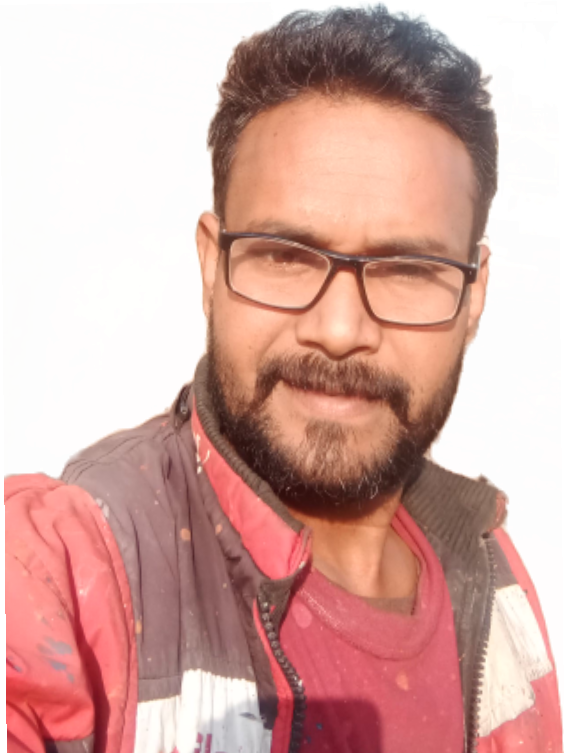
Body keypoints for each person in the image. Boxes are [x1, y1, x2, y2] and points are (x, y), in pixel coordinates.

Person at [5, 5, 562, 753]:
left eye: (406, 269)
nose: (339, 330)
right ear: (211, 266)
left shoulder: (506, 575)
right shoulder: (64, 563)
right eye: (284, 256)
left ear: (474, 295)